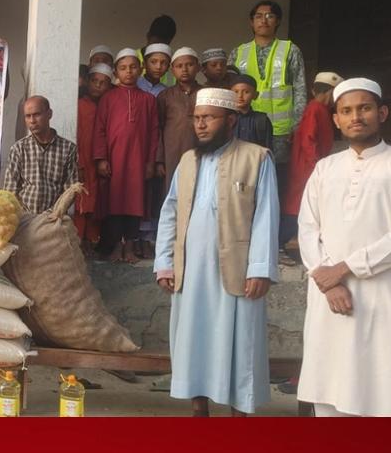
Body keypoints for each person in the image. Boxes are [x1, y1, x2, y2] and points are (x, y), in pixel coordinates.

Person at [155, 87, 278, 416]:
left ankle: (240, 412)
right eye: (196, 118)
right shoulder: (187, 160)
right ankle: (199, 408)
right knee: (194, 338)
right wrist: (164, 263)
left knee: (241, 342)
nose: (201, 125)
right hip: (191, 270)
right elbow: (170, 212)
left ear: (231, 120)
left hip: (237, 269)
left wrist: (261, 268)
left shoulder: (257, 158)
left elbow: (266, 215)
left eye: (208, 118)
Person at [298, 77, 390, 417]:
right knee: (329, 387)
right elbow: (308, 227)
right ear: (335, 119)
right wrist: (329, 279)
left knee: (379, 387)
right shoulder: (325, 168)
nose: (356, 117)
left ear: (382, 113)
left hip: (380, 295)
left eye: (364, 108)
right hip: (328, 298)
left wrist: (344, 268)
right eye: (346, 111)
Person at [229, 0, 307, 183]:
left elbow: (300, 87)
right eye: (258, 16)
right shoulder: (238, 52)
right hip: (245, 125)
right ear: (251, 22)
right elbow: (229, 90)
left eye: (269, 16)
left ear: (278, 21)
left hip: (280, 129)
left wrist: (297, 126)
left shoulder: (290, 50)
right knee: (244, 173)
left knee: (276, 175)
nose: (263, 20)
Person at [93, 49, 159, 263]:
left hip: (138, 161)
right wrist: (101, 158)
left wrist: (150, 161)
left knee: (135, 205)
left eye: (132, 67)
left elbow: (154, 132)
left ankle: (130, 247)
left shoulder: (149, 100)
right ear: (115, 72)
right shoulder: (108, 98)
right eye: (123, 68)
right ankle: (115, 247)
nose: (128, 72)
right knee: (114, 205)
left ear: (140, 70)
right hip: (115, 160)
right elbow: (100, 129)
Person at [145, 48, 203, 257]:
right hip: (172, 156)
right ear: (173, 69)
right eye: (179, 66)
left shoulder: (205, 93)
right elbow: (157, 129)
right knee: (171, 197)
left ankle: (195, 244)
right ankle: (169, 246)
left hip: (200, 154)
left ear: (197, 66)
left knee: (199, 196)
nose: (185, 69)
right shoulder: (165, 96)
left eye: (189, 65)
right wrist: (160, 160)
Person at [281, 72, 343, 249]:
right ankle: (285, 240)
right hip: (307, 166)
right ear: (331, 92)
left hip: (310, 164)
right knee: (298, 201)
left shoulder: (319, 109)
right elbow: (309, 139)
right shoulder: (316, 108)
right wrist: (316, 165)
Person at [3, 96, 78, 215]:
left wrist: (55, 213)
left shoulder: (68, 149)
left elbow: (71, 190)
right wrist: (22, 215)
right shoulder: (18, 149)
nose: (32, 121)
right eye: (28, 116)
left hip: (54, 219)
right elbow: (10, 191)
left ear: (49, 114)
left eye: (37, 114)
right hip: (24, 220)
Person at [75, 65, 113, 247]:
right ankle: (78, 241)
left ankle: (92, 240)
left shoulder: (109, 106)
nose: (98, 86)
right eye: (94, 81)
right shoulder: (79, 105)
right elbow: (77, 136)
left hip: (102, 161)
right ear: (87, 82)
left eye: (103, 83)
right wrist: (79, 163)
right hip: (84, 160)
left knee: (98, 203)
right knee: (81, 202)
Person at [229, 74, 273, 149]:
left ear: (255, 95)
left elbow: (267, 149)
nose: (240, 96)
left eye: (246, 92)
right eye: (236, 92)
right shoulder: (226, 119)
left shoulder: (262, 120)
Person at [137, 15, 177, 87]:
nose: (157, 49)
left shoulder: (175, 64)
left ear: (169, 42)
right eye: (154, 44)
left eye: (162, 45)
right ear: (148, 36)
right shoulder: (132, 58)